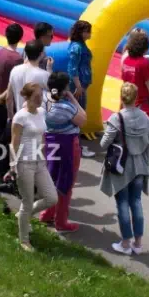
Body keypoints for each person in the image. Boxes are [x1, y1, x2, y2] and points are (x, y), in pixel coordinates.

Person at [100, 82, 149, 255]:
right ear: (136, 97)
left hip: (121, 167)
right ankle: (138, 243)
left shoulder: (117, 118)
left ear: (121, 97)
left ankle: (125, 243)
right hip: (140, 166)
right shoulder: (145, 118)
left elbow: (103, 143)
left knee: (122, 203)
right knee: (136, 202)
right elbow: (148, 143)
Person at [11, 82, 58, 251]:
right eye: (37, 97)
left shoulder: (41, 112)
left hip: (40, 162)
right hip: (24, 164)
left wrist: (44, 156)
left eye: (41, 95)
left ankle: (24, 216)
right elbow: (14, 143)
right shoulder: (20, 117)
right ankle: (24, 240)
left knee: (52, 198)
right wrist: (13, 166)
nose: (40, 99)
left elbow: (42, 136)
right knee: (28, 201)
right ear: (27, 97)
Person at [39, 72, 88, 233]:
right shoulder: (67, 107)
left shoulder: (44, 100)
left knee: (51, 179)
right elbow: (83, 119)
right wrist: (73, 99)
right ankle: (61, 221)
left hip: (49, 143)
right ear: (64, 88)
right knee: (66, 182)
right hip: (67, 145)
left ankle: (47, 213)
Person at [0, 23, 25, 185]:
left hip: (0, 102)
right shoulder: (17, 59)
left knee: (0, 136)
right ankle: (4, 172)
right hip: (10, 105)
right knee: (9, 139)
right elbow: (12, 87)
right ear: (20, 38)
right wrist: (1, 98)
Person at [0, 40, 50, 119]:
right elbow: (54, 95)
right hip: (37, 120)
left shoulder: (15, 70)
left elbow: (9, 98)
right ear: (41, 54)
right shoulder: (44, 75)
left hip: (20, 118)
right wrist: (49, 70)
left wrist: (11, 118)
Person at [121, 31, 149, 126]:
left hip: (128, 100)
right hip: (142, 103)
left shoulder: (126, 60)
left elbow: (124, 81)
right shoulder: (144, 62)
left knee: (129, 124)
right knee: (144, 126)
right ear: (145, 48)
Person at [67, 20, 93, 108]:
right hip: (78, 85)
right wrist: (78, 86)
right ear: (82, 32)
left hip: (81, 84)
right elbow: (72, 68)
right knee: (78, 109)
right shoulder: (77, 47)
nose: (90, 33)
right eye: (88, 31)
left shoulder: (81, 45)